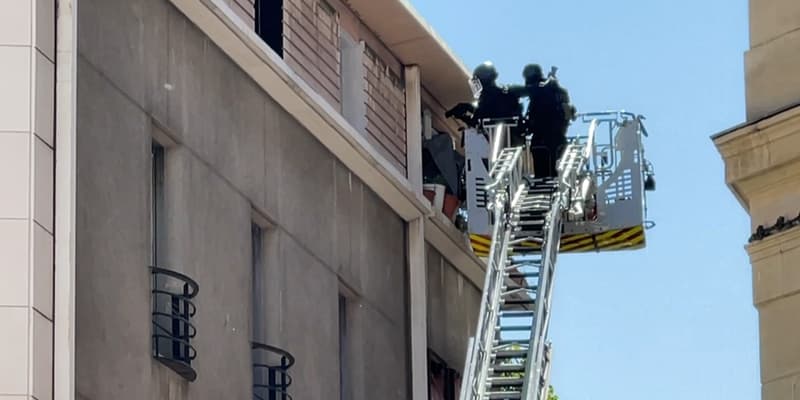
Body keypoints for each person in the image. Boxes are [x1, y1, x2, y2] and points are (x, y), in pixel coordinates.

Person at [516, 64, 576, 178]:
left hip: (544, 137)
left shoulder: (540, 90)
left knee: (543, 169)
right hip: (556, 137)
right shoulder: (555, 91)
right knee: (551, 169)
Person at [445, 62, 523, 136]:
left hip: (498, 139)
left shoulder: (490, 98)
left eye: (479, 82)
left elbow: (477, 122)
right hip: (507, 137)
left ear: (484, 82)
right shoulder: (504, 95)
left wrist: (462, 116)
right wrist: (469, 108)